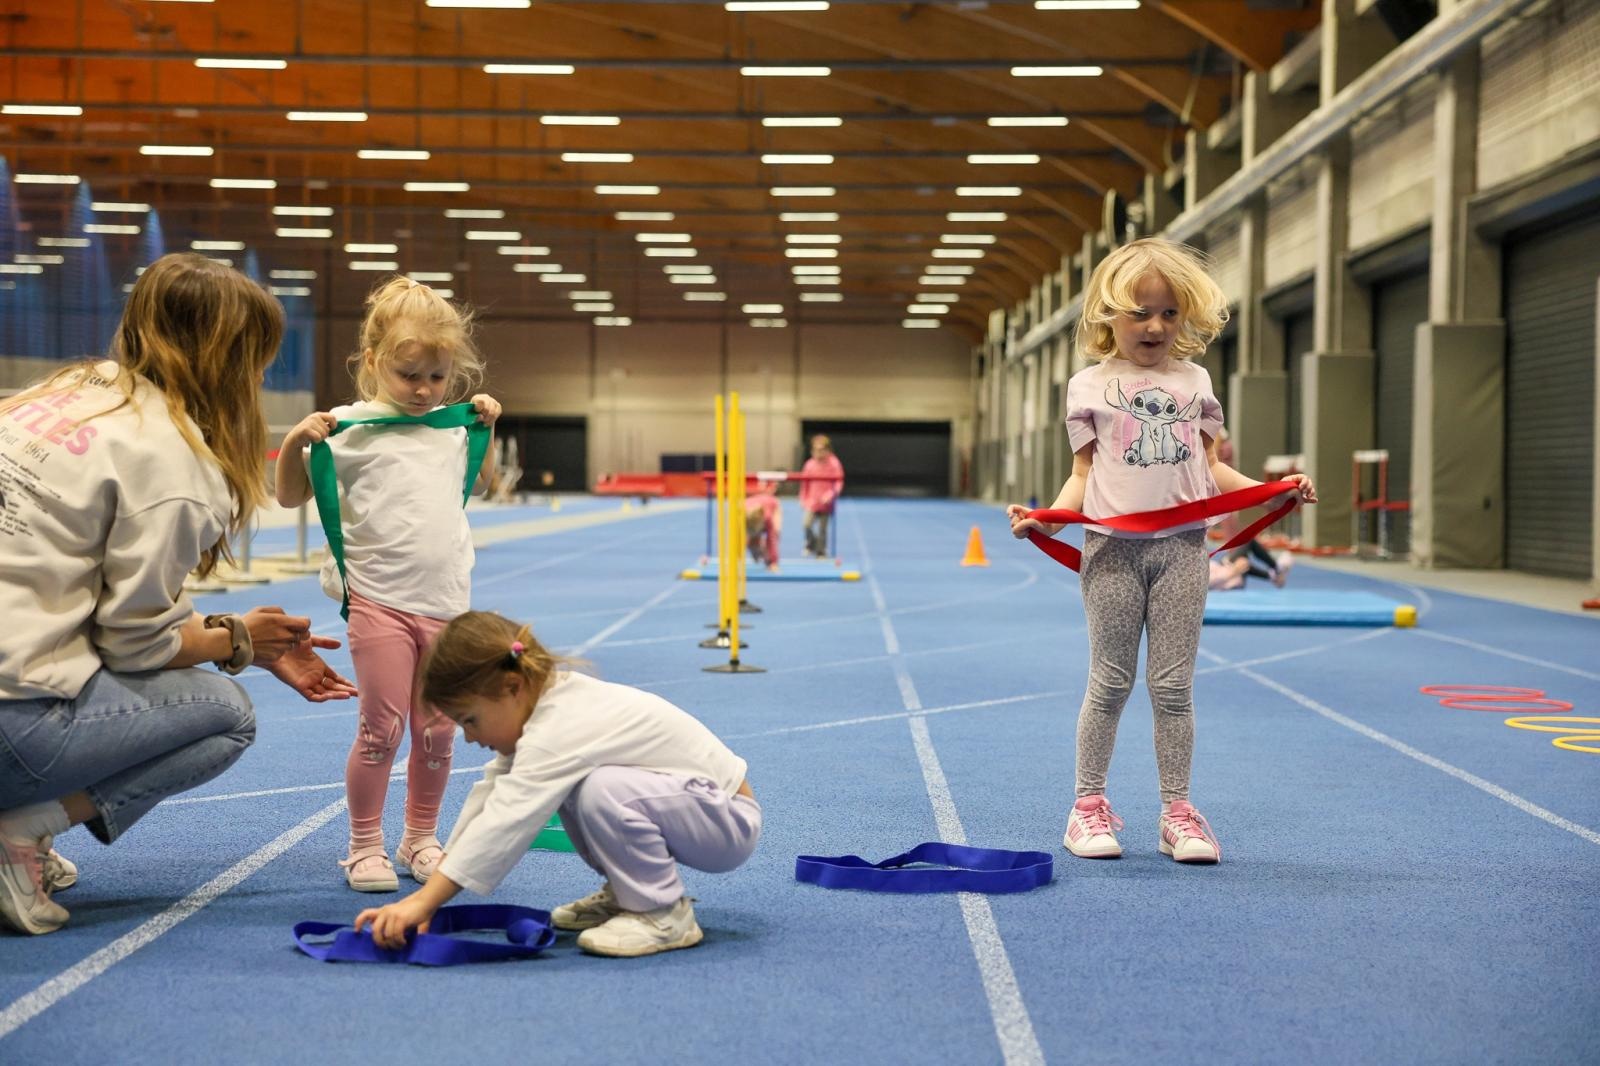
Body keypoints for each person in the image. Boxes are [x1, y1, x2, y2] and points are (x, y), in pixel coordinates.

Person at [0, 253, 357, 936]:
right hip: (9, 727)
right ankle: (20, 833)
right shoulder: (172, 456)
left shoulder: (65, 393)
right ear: (231, 360)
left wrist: (231, 633)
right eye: (258, 362)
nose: (259, 378)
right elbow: (134, 647)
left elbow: (105, 598)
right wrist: (238, 643)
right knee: (224, 712)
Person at [1006, 238, 1315, 865]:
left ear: (1187, 317)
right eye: (1139, 312)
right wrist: (1049, 520)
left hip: (1182, 553)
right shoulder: (1088, 385)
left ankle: (1178, 811)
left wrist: (1271, 490)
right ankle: (1086, 806)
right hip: (1112, 553)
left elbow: (1209, 473)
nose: (1154, 326)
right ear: (1107, 316)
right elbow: (1082, 477)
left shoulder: (1195, 380)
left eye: (1170, 313)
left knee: (1173, 687)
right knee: (1111, 682)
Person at [353, 611, 760, 958]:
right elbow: (489, 802)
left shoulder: (559, 728)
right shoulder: (542, 711)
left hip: (727, 821)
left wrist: (424, 901)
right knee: (581, 787)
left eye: (470, 720)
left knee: (603, 791)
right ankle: (628, 892)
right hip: (698, 809)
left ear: (512, 688)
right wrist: (426, 901)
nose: (471, 738)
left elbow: (506, 822)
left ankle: (663, 913)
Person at [274, 278, 502, 894]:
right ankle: (364, 845)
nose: (425, 390)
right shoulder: (346, 428)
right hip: (378, 600)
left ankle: (421, 836)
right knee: (382, 728)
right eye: (409, 376)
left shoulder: (450, 426)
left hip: (448, 605)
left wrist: (483, 430)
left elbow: (483, 486)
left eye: (437, 377)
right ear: (373, 362)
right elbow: (289, 495)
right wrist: (297, 441)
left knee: (439, 729)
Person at [799, 434, 844, 558]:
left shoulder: (834, 464)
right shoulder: (809, 464)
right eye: (815, 450)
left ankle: (821, 551)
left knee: (822, 529)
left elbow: (838, 482)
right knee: (806, 524)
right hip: (812, 501)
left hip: (826, 504)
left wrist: (831, 495)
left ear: (828, 450)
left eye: (821, 450)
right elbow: (805, 483)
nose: (818, 453)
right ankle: (811, 543)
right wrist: (803, 498)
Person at [1208, 539, 1293, 591]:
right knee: (1248, 542)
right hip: (1227, 576)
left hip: (1223, 567)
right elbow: (1209, 583)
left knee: (1245, 554)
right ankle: (1277, 569)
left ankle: (1272, 575)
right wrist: (1234, 570)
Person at [745, 482, 782, 572]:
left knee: (775, 533)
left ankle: (769, 560)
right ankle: (759, 552)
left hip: (772, 506)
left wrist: (773, 563)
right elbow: (737, 540)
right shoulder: (741, 514)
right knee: (751, 542)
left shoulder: (768, 517)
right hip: (751, 512)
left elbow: (772, 539)